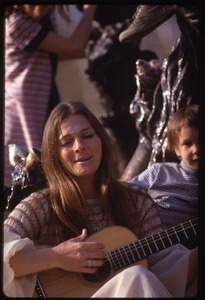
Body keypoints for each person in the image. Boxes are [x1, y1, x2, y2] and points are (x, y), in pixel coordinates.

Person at [3, 102, 197, 298]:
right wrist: (57, 256)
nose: (80, 147)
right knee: (136, 276)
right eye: (67, 142)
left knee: (138, 276)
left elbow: (164, 267)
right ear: (55, 154)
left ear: (102, 141)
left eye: (87, 136)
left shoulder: (137, 201)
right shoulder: (39, 205)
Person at [4, 4, 97, 186]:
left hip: (41, 95)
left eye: (46, 5)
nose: (40, 9)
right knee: (33, 159)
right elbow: (74, 47)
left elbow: (58, 52)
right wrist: (89, 9)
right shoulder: (17, 23)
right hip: (26, 103)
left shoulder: (45, 19)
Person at [130, 104, 199, 233]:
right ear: (176, 150)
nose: (196, 149)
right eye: (187, 144)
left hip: (181, 249)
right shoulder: (159, 173)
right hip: (141, 239)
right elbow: (123, 194)